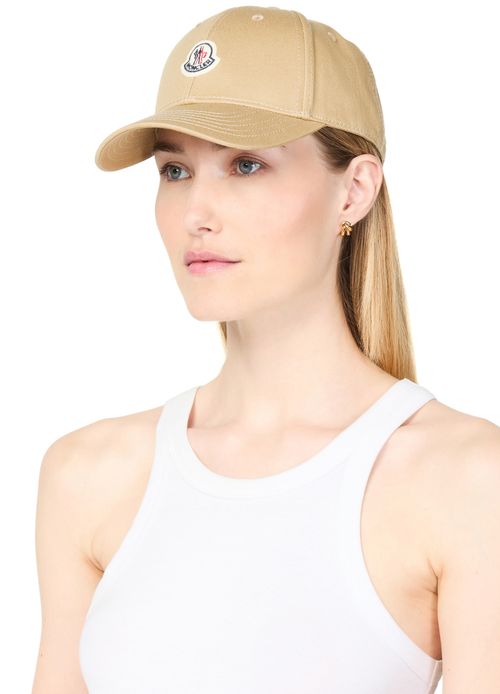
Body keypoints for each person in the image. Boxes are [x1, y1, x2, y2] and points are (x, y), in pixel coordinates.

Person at [32, 6, 500, 694]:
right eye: (174, 170)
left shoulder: (465, 479)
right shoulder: (87, 475)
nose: (196, 214)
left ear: (355, 190)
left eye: (246, 164)